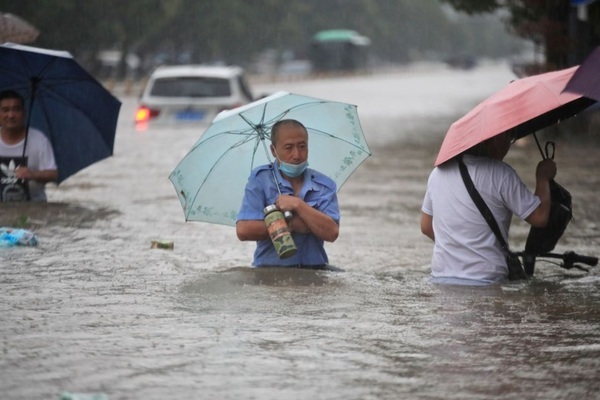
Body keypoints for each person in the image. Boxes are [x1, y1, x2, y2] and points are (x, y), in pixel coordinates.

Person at [420, 132, 556, 285]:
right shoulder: (501, 174)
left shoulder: (437, 173)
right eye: (509, 139)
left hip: (441, 279)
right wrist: (543, 177)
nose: (508, 146)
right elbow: (539, 217)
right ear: (495, 140)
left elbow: (426, 227)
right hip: (486, 281)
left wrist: (459, 247)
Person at [236, 119, 340, 268]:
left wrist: (298, 205)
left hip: (315, 271)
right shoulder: (260, 180)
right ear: (273, 150)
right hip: (270, 272)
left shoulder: (324, 185)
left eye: (302, 146)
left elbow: (332, 232)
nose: (297, 155)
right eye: (288, 147)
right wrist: (292, 224)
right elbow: (244, 230)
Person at [0, 90, 57, 202]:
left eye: (16, 109)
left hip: (34, 207)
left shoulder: (39, 139)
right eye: (5, 110)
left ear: (24, 113)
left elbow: (53, 174)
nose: (11, 115)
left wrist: (33, 174)